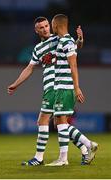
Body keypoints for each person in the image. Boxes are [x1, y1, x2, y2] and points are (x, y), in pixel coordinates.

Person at [7, 16, 97, 166]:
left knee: (58, 122)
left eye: (47, 25)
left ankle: (44, 157)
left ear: (50, 26)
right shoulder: (37, 49)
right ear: (36, 31)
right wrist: (16, 84)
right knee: (51, 122)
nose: (45, 29)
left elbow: (73, 48)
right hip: (49, 88)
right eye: (41, 27)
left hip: (61, 87)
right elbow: (29, 68)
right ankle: (83, 147)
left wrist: (80, 40)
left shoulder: (58, 39)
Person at [45, 14, 98, 166]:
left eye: (52, 25)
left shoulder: (66, 41)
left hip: (65, 87)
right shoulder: (66, 41)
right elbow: (75, 48)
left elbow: (73, 64)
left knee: (61, 123)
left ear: (56, 25)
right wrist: (80, 40)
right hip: (61, 87)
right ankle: (86, 146)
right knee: (59, 123)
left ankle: (65, 158)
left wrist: (76, 88)